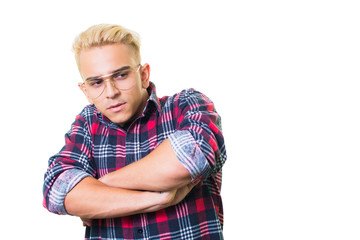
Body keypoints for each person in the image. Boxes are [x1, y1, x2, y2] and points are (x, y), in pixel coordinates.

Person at [43, 24, 227, 240]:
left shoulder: (186, 104)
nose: (110, 92)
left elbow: (191, 156)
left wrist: (98, 186)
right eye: (96, 82)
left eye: (121, 75)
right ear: (86, 90)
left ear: (144, 74)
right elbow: (57, 191)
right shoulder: (87, 124)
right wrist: (157, 199)